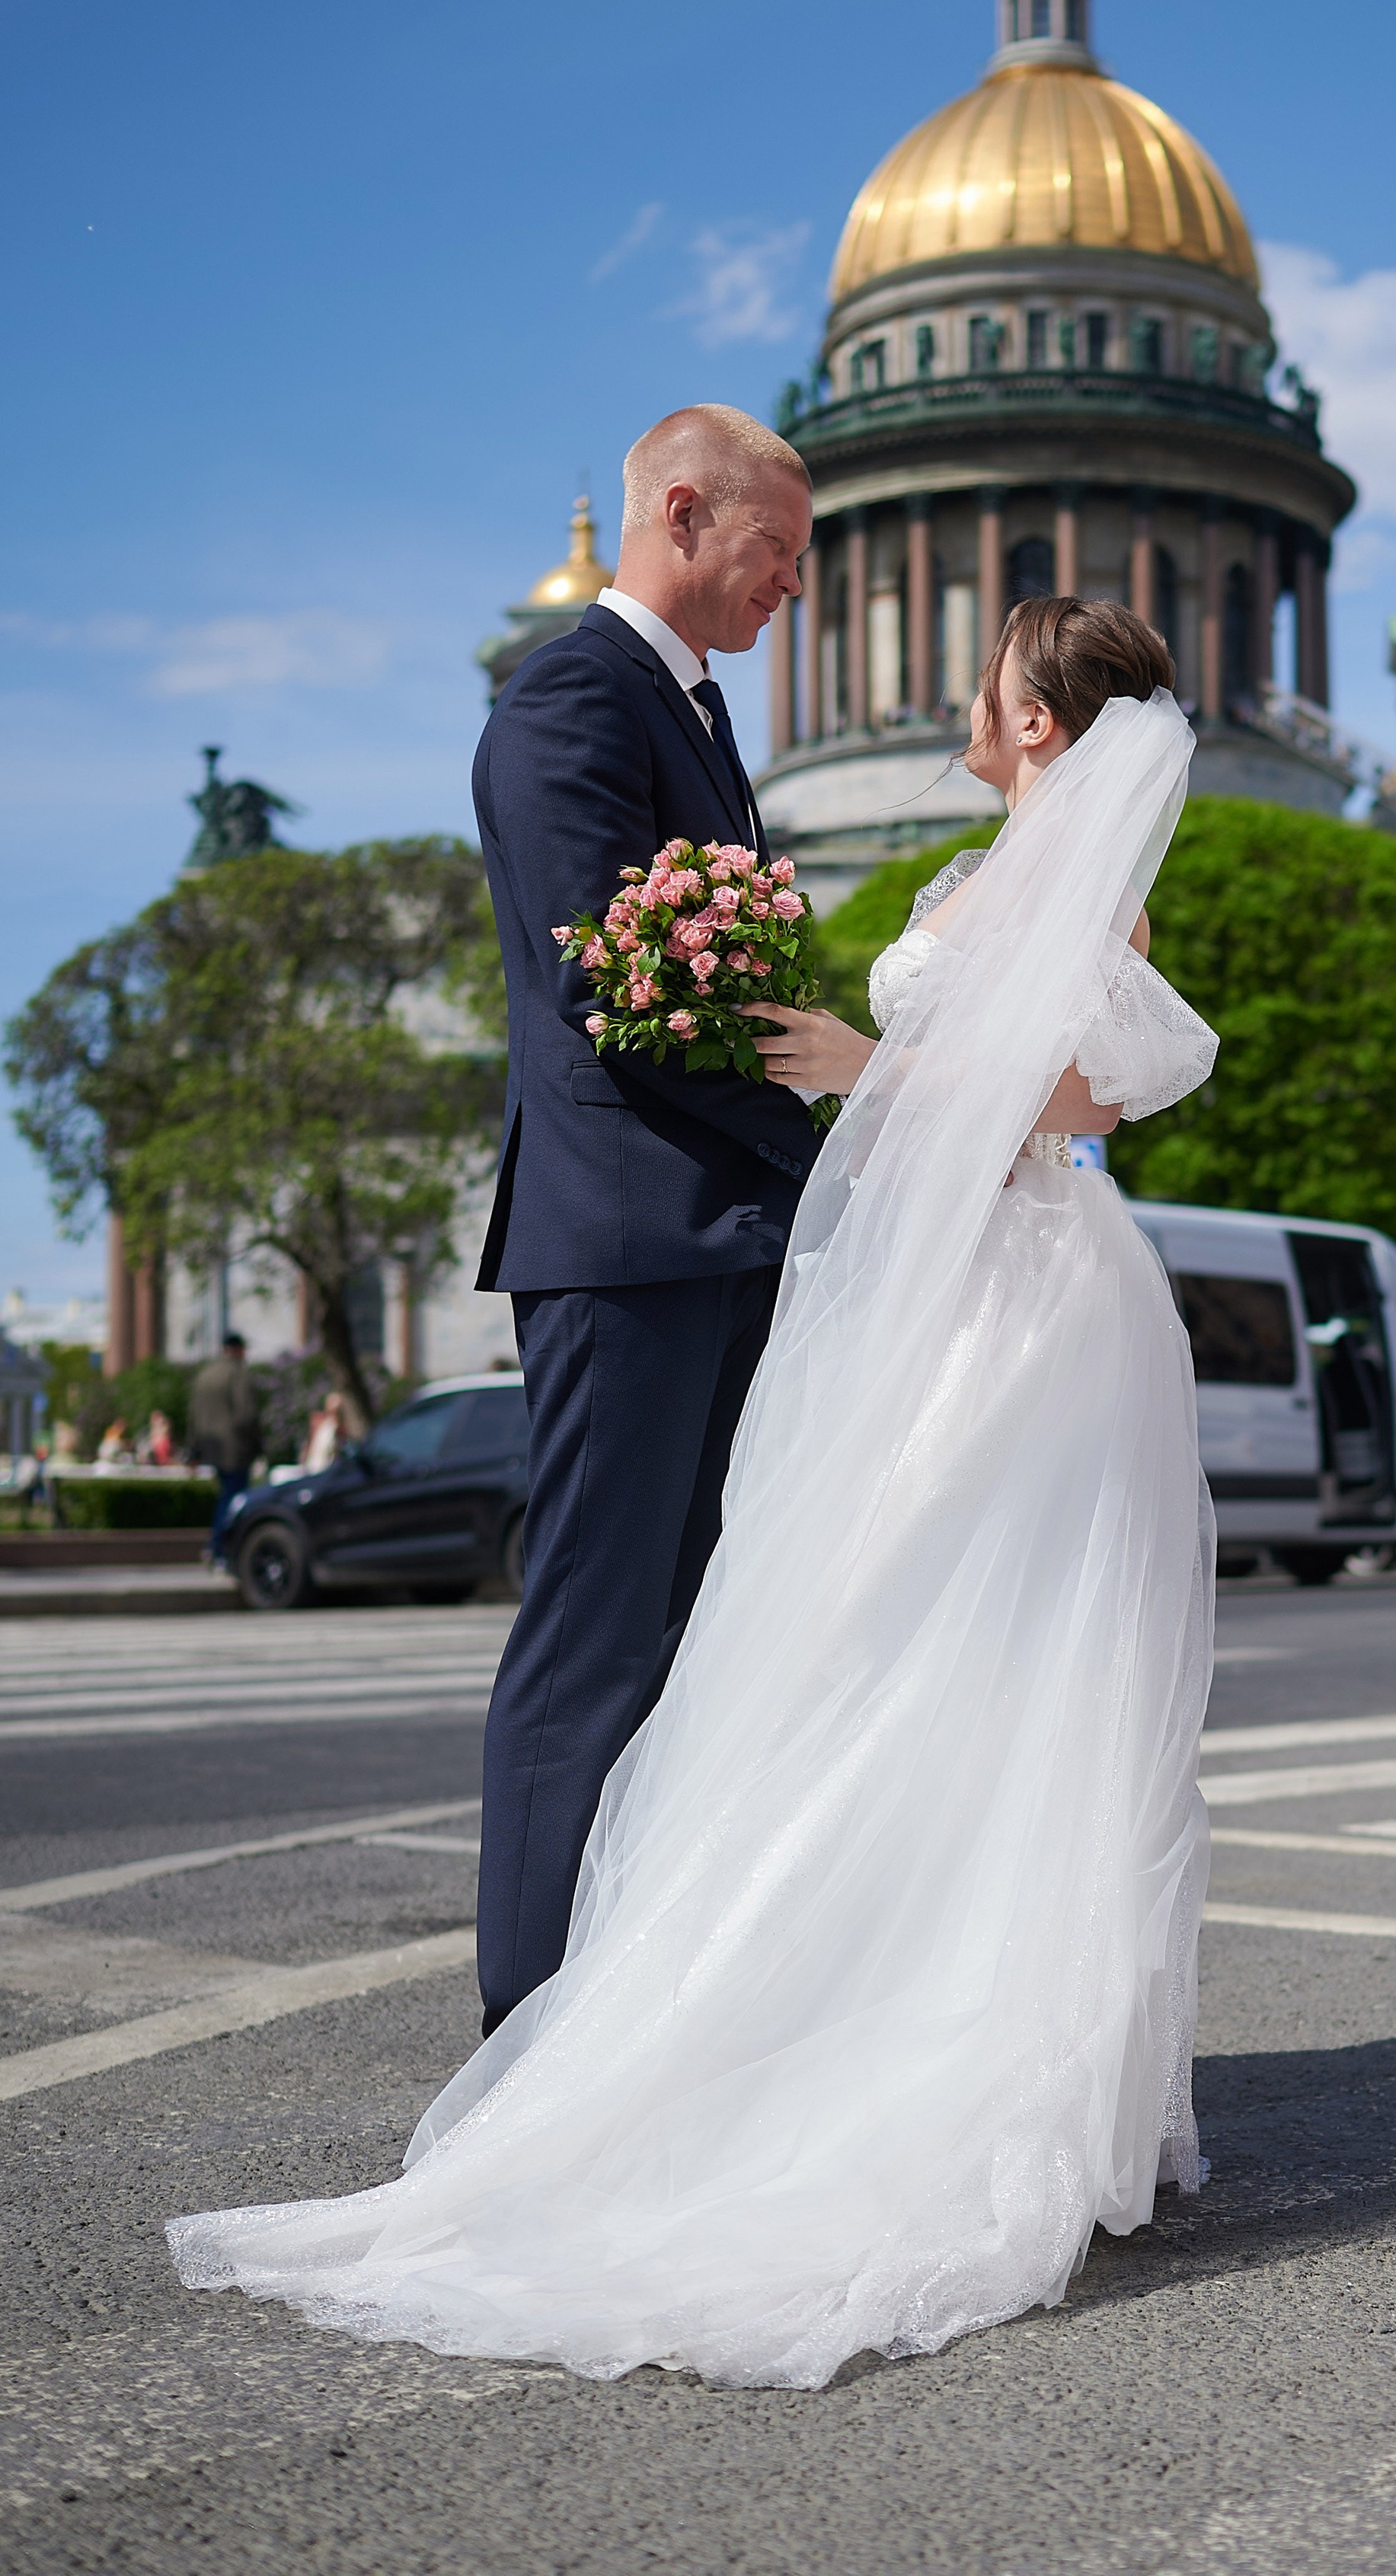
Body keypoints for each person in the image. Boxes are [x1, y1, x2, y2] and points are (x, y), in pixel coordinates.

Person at [169, 595, 1218, 2391]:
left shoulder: (1078, 878)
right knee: (863, 1642)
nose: (957, 691)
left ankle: (965, 2046)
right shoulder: (987, 859)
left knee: (960, 1648)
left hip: (1024, 1300)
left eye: (992, 677)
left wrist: (863, 1062)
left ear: (1041, 718)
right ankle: (833, 2006)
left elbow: (1094, 1091)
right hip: (942, 1287)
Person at [463, 406, 822, 2037]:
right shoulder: (568, 700)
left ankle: (625, 2029)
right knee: (594, 1651)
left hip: (703, 1239)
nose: (793, 590)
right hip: (625, 1243)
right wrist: (824, 1141)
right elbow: (613, 992)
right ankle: (524, 2042)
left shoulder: (688, 709)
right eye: (777, 552)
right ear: (683, 512)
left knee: (682, 1652)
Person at [188, 1333, 260, 1562]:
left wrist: (194, 1450)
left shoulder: (205, 1375)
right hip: (235, 1450)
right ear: (238, 1350)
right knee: (234, 1500)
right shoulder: (238, 1373)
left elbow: (194, 1417)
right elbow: (247, 1415)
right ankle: (220, 1547)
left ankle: (218, 1546)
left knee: (226, 1496)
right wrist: (258, 1446)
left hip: (212, 1449)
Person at [300, 1392, 347, 1473]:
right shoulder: (318, 1422)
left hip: (328, 1468)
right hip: (312, 1464)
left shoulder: (340, 1428)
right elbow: (309, 1441)